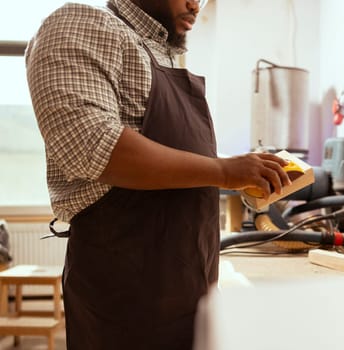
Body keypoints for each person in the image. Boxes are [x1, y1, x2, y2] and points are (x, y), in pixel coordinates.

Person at [25, 0, 291, 348]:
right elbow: (91, 146)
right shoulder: (84, 24)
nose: (197, 4)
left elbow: (177, 160)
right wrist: (224, 171)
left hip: (188, 288)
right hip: (127, 299)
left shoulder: (162, 55)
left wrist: (240, 171)